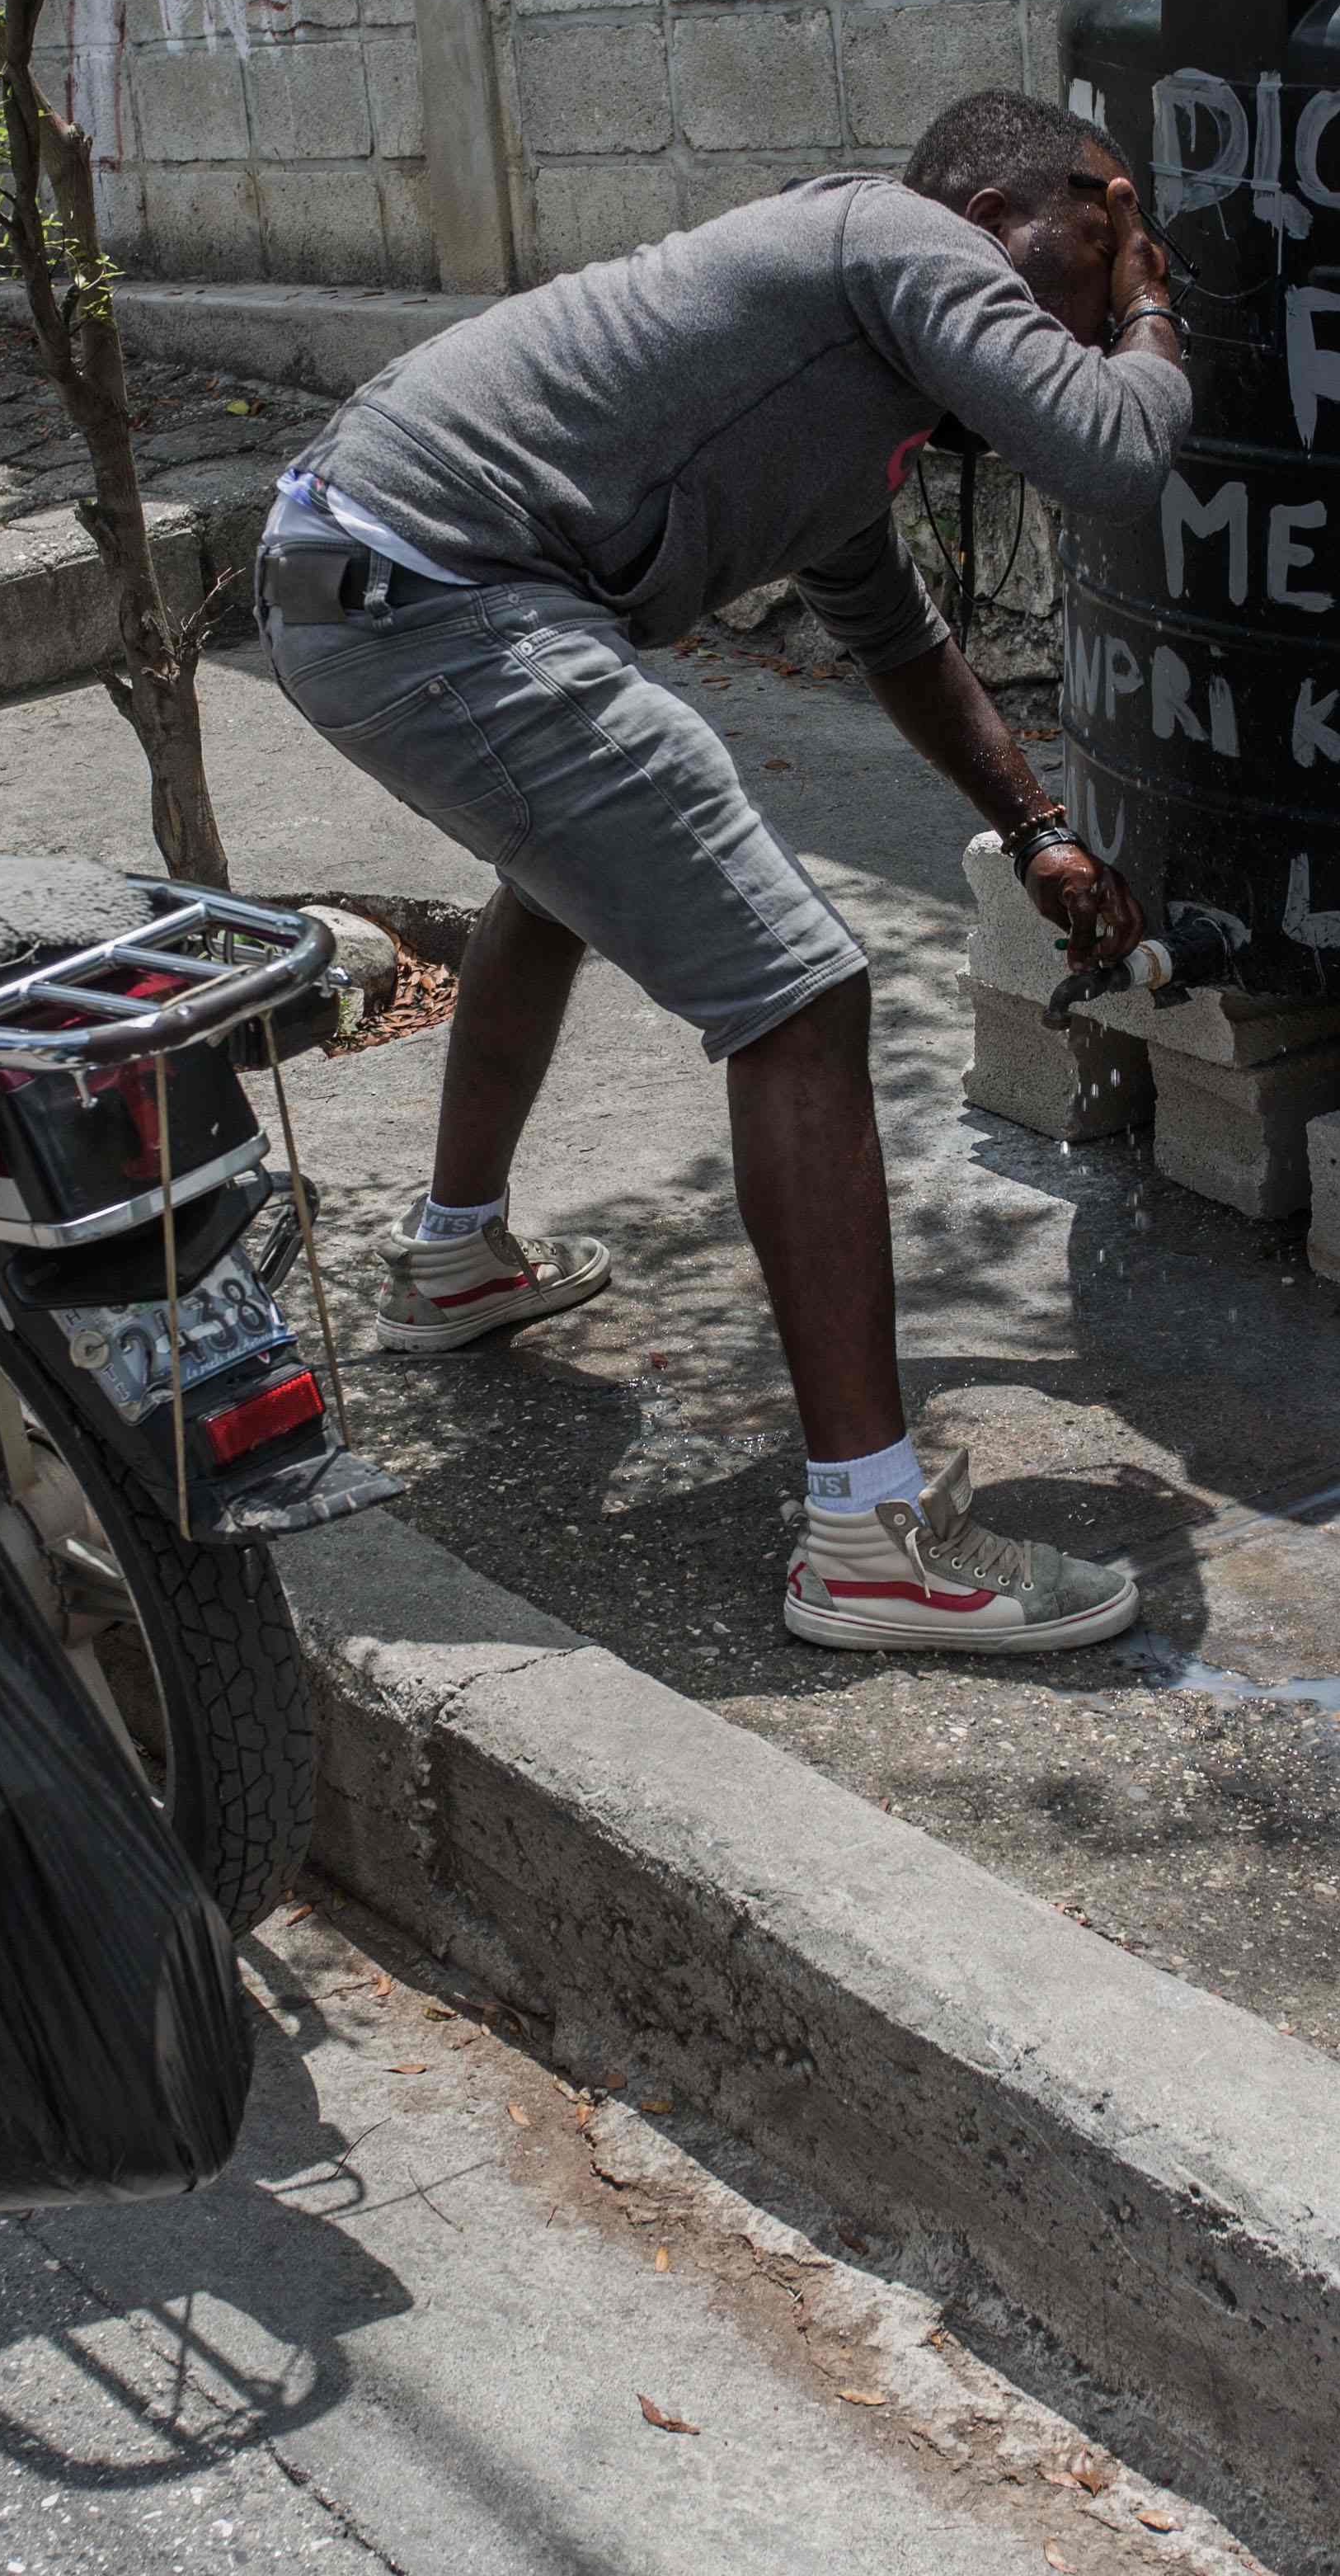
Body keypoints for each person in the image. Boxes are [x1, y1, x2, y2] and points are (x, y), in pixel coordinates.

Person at [258, 92, 1185, 1654]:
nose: (1088, 317)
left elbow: (896, 640)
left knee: (564, 873)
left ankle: (456, 1258)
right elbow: (1112, 447)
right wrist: (1154, 287)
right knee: (801, 993)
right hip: (437, 595)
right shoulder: (896, 236)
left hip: (363, 578)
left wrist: (1036, 830)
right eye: (1087, 267)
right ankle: (870, 1540)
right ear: (1030, 214)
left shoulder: (835, 389)